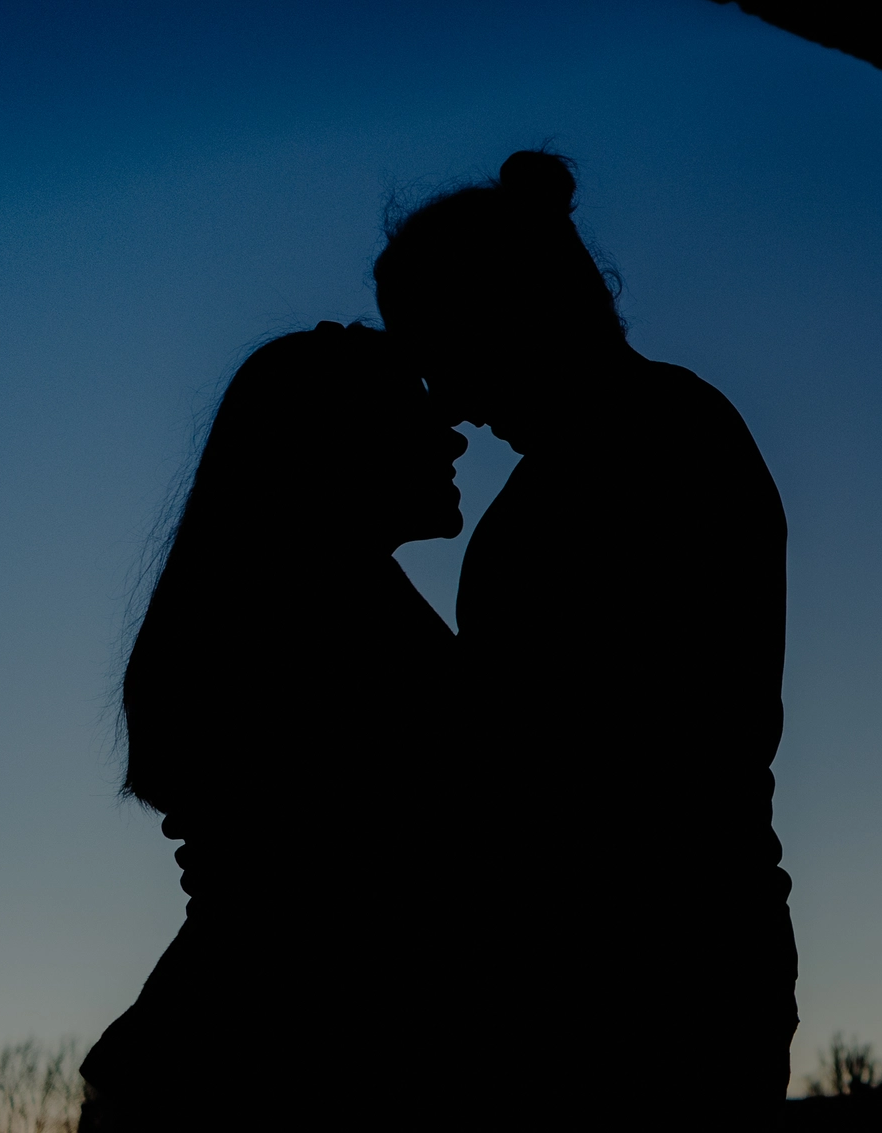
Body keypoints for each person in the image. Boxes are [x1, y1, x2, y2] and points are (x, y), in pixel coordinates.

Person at [373, 150, 798, 1118]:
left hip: (649, 963)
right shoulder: (634, 441)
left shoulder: (652, 442)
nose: (445, 400)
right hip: (660, 948)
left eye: (437, 349)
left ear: (506, 313)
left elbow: (565, 746)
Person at [80, 323, 471, 1131]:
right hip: (265, 1075)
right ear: (338, 445)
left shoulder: (298, 607)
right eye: (413, 409)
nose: (455, 435)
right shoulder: (330, 623)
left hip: (215, 1059)